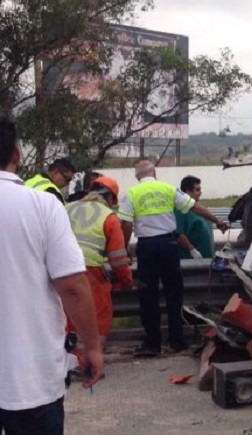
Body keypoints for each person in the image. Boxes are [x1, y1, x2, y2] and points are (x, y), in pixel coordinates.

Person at [0, 118, 103, 434]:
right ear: (17, 154)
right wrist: (92, 347)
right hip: (29, 379)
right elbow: (72, 286)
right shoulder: (42, 205)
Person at [118, 160, 228, 357]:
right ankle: (177, 340)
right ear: (154, 172)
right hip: (169, 245)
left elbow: (125, 224)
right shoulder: (168, 188)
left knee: (148, 296)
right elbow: (195, 207)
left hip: (147, 247)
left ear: (137, 176)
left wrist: (124, 249)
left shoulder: (131, 193)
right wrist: (217, 221)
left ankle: (153, 343)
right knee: (174, 294)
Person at [65, 175, 132, 353]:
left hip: (60, 270)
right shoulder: (108, 217)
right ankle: (87, 359)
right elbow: (118, 258)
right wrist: (126, 281)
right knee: (99, 314)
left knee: (68, 314)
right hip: (89, 271)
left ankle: (69, 358)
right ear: (109, 198)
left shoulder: (67, 208)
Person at [175, 175, 214, 259]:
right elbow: (179, 234)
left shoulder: (199, 208)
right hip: (191, 260)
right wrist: (192, 250)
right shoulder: (181, 210)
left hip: (206, 258)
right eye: (197, 190)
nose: (200, 193)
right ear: (187, 191)